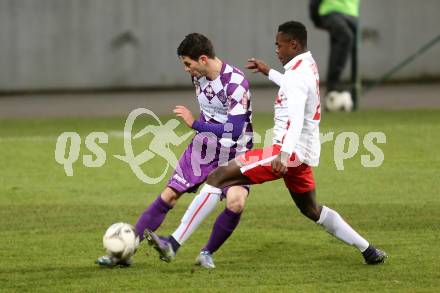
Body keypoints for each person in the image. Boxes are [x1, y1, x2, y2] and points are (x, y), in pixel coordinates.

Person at [148, 20, 386, 269]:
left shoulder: (296, 77)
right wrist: (269, 72)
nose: (276, 50)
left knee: (217, 177)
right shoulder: (306, 65)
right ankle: (367, 249)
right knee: (312, 209)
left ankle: (172, 243)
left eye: (279, 45)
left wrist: (283, 155)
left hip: (286, 153)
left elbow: (294, 119)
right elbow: (296, 90)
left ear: (293, 44)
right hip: (302, 155)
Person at [96, 33, 253, 267]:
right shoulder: (198, 77)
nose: (186, 70)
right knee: (169, 195)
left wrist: (194, 124)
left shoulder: (235, 83)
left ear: (202, 59)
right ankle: (125, 252)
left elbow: (235, 128)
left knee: (236, 202)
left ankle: (206, 253)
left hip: (236, 152)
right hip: (204, 149)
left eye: (188, 64)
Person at [309, 0, 360, 109]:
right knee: (345, 36)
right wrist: (315, 17)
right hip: (330, 12)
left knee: (350, 47)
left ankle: (352, 95)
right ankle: (333, 86)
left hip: (352, 14)